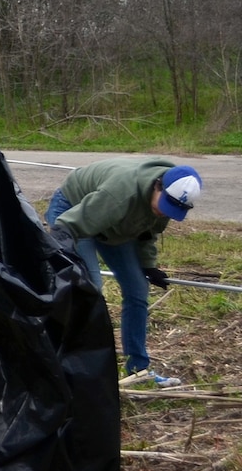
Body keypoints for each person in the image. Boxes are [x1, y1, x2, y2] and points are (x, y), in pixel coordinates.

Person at [45, 158, 203, 387]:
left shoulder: (166, 202)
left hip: (115, 225)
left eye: (173, 210)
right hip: (74, 211)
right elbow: (67, 225)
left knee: (137, 289)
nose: (164, 212)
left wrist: (148, 265)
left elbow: (147, 234)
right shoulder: (120, 194)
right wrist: (64, 252)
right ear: (158, 185)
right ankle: (70, 368)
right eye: (165, 205)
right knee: (89, 288)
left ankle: (138, 370)